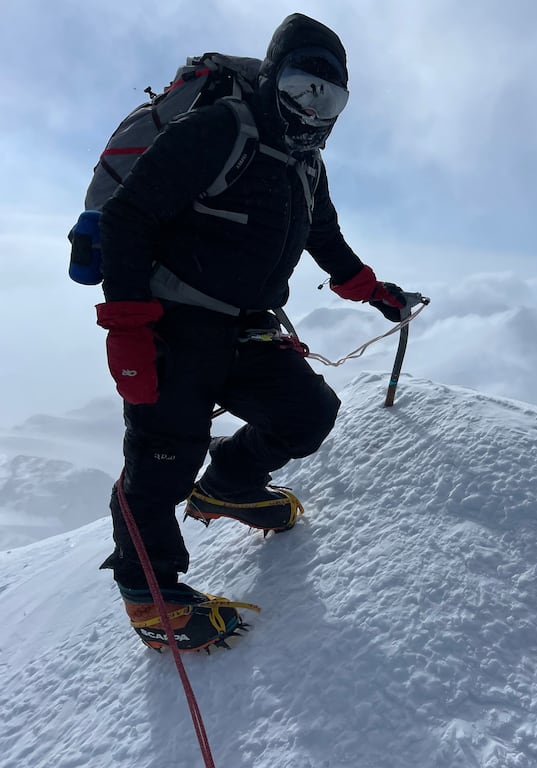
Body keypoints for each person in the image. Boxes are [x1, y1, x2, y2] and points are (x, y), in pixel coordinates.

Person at [94, 13, 406, 652]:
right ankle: (153, 602)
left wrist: (375, 292)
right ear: (271, 79)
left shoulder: (307, 163)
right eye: (301, 87)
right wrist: (126, 327)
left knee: (308, 412)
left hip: (246, 325)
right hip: (172, 320)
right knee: (162, 457)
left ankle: (228, 485)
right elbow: (128, 218)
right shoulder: (218, 130)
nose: (313, 107)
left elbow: (323, 239)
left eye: (330, 96)